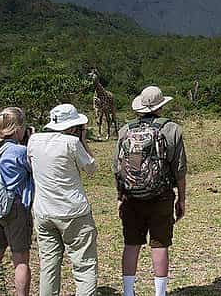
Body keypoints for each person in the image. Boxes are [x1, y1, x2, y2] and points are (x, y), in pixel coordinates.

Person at [113, 86, 187, 296]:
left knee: (131, 244)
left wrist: (120, 196)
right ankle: (160, 293)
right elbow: (179, 170)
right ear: (160, 106)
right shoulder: (172, 129)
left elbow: (116, 169)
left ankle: (129, 292)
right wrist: (181, 200)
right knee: (160, 244)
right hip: (161, 196)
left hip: (131, 197)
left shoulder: (124, 131)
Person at [27, 104, 98, 296]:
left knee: (48, 264)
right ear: (74, 127)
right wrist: (83, 141)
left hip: (43, 212)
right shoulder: (71, 143)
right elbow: (91, 169)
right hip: (73, 212)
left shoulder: (33, 141)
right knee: (84, 264)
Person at [0, 107, 34, 296]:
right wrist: (29, 142)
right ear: (18, 129)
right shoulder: (21, 151)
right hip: (15, 208)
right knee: (20, 260)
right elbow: (33, 171)